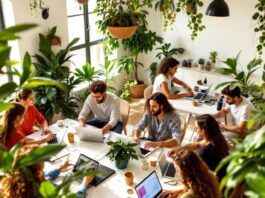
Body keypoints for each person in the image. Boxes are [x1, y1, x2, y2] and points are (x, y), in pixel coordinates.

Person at [0, 146, 94, 198]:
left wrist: (60, 169)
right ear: (37, 166)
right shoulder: (42, 189)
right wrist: (84, 184)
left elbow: (45, 176)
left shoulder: (13, 183)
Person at [167, 114, 229, 180]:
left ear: (203, 131)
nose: (195, 130)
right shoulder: (216, 138)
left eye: (196, 128)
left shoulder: (205, 152)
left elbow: (191, 172)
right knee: (198, 139)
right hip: (221, 177)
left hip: (214, 183)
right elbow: (197, 144)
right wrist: (178, 150)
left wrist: (175, 159)